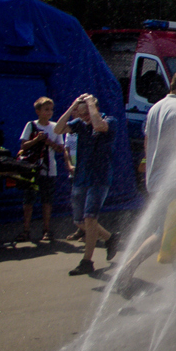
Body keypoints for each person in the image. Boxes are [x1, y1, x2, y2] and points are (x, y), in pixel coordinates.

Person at [114, 68, 176, 294]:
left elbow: (147, 142)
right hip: (175, 183)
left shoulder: (156, 108)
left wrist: (148, 172)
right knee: (175, 234)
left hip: (156, 180)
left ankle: (127, 270)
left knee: (166, 233)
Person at [54, 94, 119, 276]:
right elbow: (59, 129)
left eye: (86, 113)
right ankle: (110, 238)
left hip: (99, 177)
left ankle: (86, 261)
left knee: (90, 218)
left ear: (94, 108)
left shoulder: (109, 121)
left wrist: (90, 104)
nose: (84, 118)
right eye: (80, 114)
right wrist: (72, 107)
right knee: (79, 220)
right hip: (82, 176)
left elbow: (98, 126)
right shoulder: (80, 124)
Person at [15, 97, 66, 243]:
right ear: (38, 111)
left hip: (49, 170)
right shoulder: (30, 125)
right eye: (46, 109)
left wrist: (49, 142)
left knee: (47, 201)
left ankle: (46, 230)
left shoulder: (56, 127)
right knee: (29, 200)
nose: (49, 112)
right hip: (32, 169)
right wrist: (37, 139)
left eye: (51, 109)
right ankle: (26, 231)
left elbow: (60, 149)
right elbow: (23, 146)